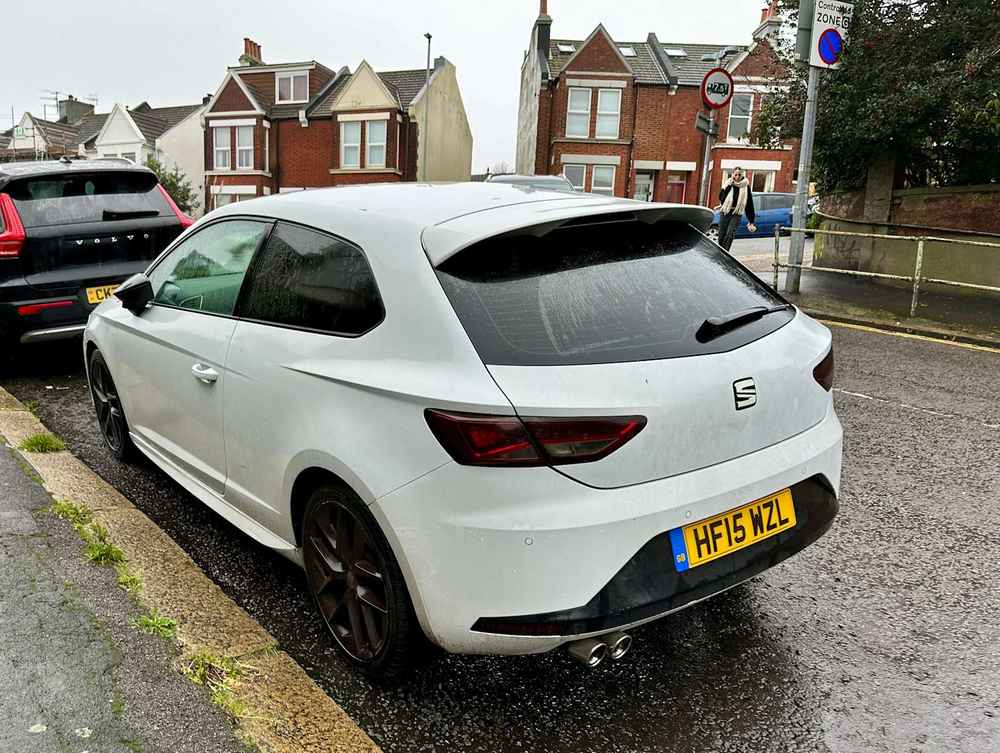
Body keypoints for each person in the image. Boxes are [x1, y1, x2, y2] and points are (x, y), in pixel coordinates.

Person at [714, 167, 757, 251]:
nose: (737, 177)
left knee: (730, 234)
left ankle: (725, 253)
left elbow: (749, 204)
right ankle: (720, 251)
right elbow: (721, 198)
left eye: (739, 175)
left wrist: (751, 221)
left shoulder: (745, 186)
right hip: (725, 211)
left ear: (742, 175)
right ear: (733, 174)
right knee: (722, 234)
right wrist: (729, 186)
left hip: (736, 213)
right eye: (735, 174)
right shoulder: (727, 183)